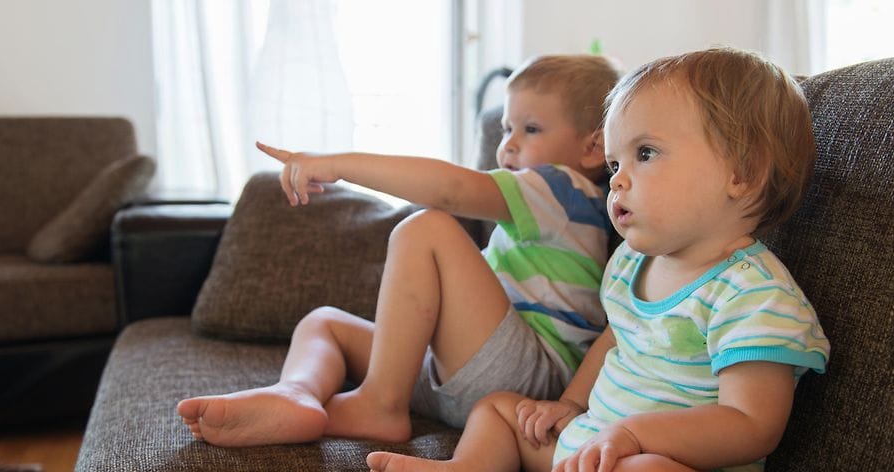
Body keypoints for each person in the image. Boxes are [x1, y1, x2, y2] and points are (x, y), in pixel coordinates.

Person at [366, 47, 830, 472]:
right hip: (592, 439)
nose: (618, 180)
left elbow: (751, 427)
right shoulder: (633, 262)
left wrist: (635, 437)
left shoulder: (755, 295)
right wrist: (568, 405)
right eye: (614, 161)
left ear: (742, 171)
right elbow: (613, 341)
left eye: (645, 153)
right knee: (501, 409)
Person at [176, 54, 621, 446]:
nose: (509, 144)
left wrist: (338, 165)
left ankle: (379, 403)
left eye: (531, 128)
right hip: (465, 373)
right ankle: (296, 394)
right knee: (325, 323)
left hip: (527, 380)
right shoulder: (543, 204)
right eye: (507, 128)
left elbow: (448, 189)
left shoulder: (564, 189)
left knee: (428, 227)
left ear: (593, 147)